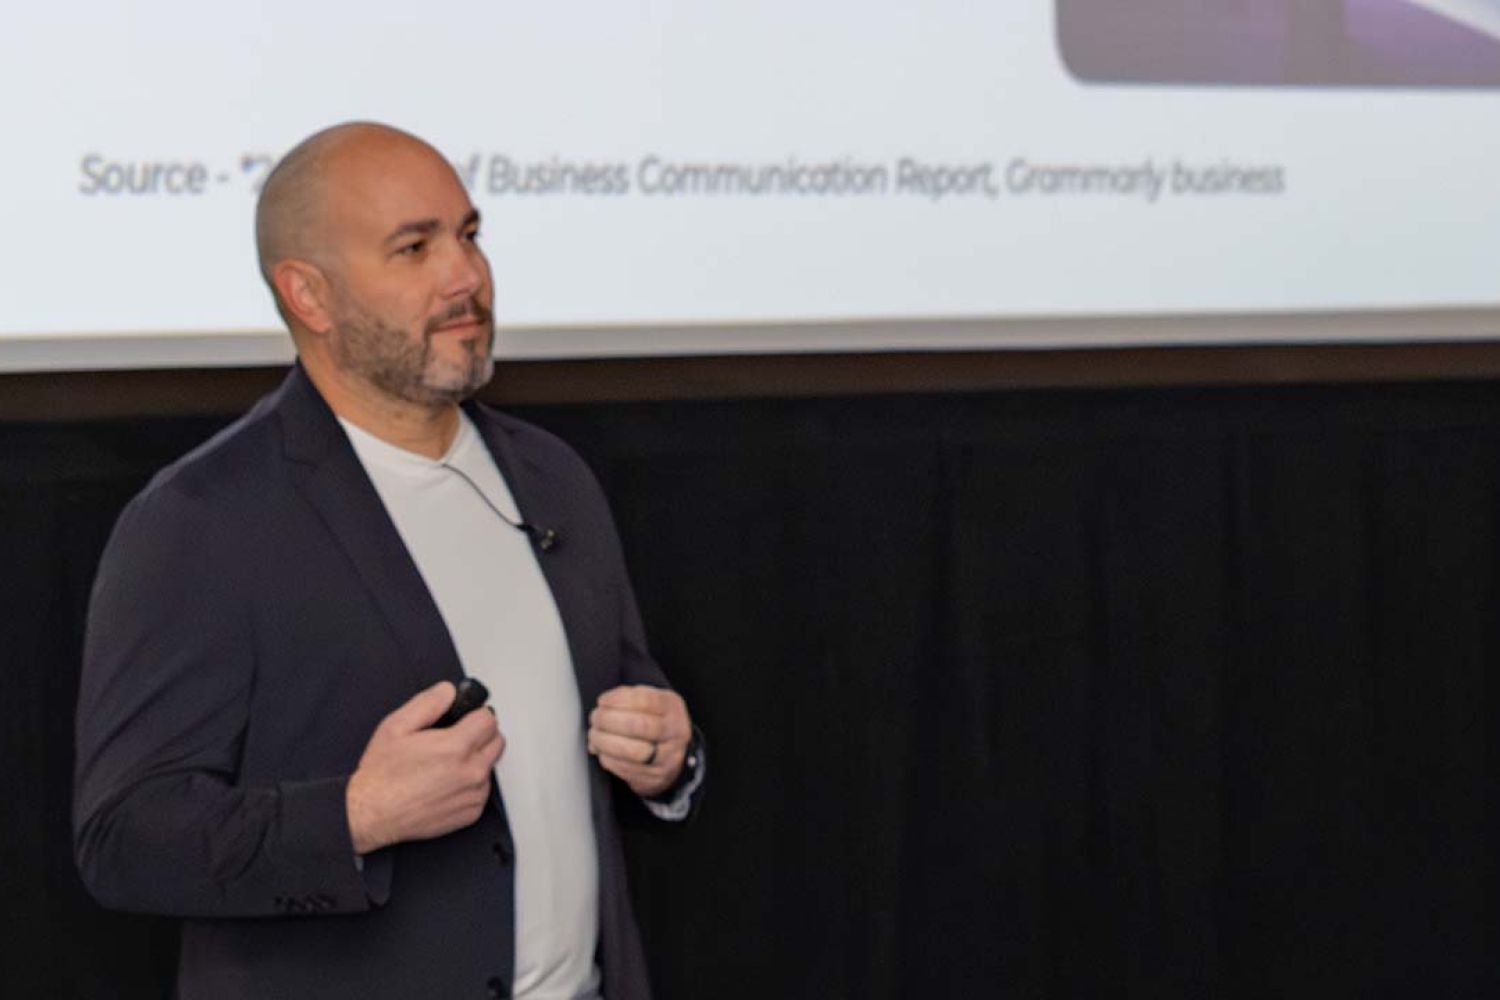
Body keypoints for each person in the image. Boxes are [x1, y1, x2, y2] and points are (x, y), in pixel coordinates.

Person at [73, 121, 704, 1000]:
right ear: (310, 295)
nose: (466, 276)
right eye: (413, 248)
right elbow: (124, 841)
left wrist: (669, 761)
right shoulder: (201, 521)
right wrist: (356, 816)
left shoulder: (553, 477)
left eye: (469, 234)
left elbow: (630, 715)